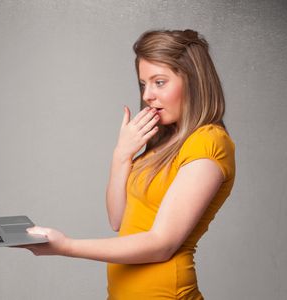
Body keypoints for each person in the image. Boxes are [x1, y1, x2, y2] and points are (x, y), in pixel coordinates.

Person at [18, 29, 235, 299]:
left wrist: (66, 246)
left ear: (193, 81)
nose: (147, 95)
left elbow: (162, 244)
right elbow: (118, 219)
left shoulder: (208, 142)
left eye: (159, 82)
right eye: (143, 84)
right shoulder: (163, 143)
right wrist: (122, 154)